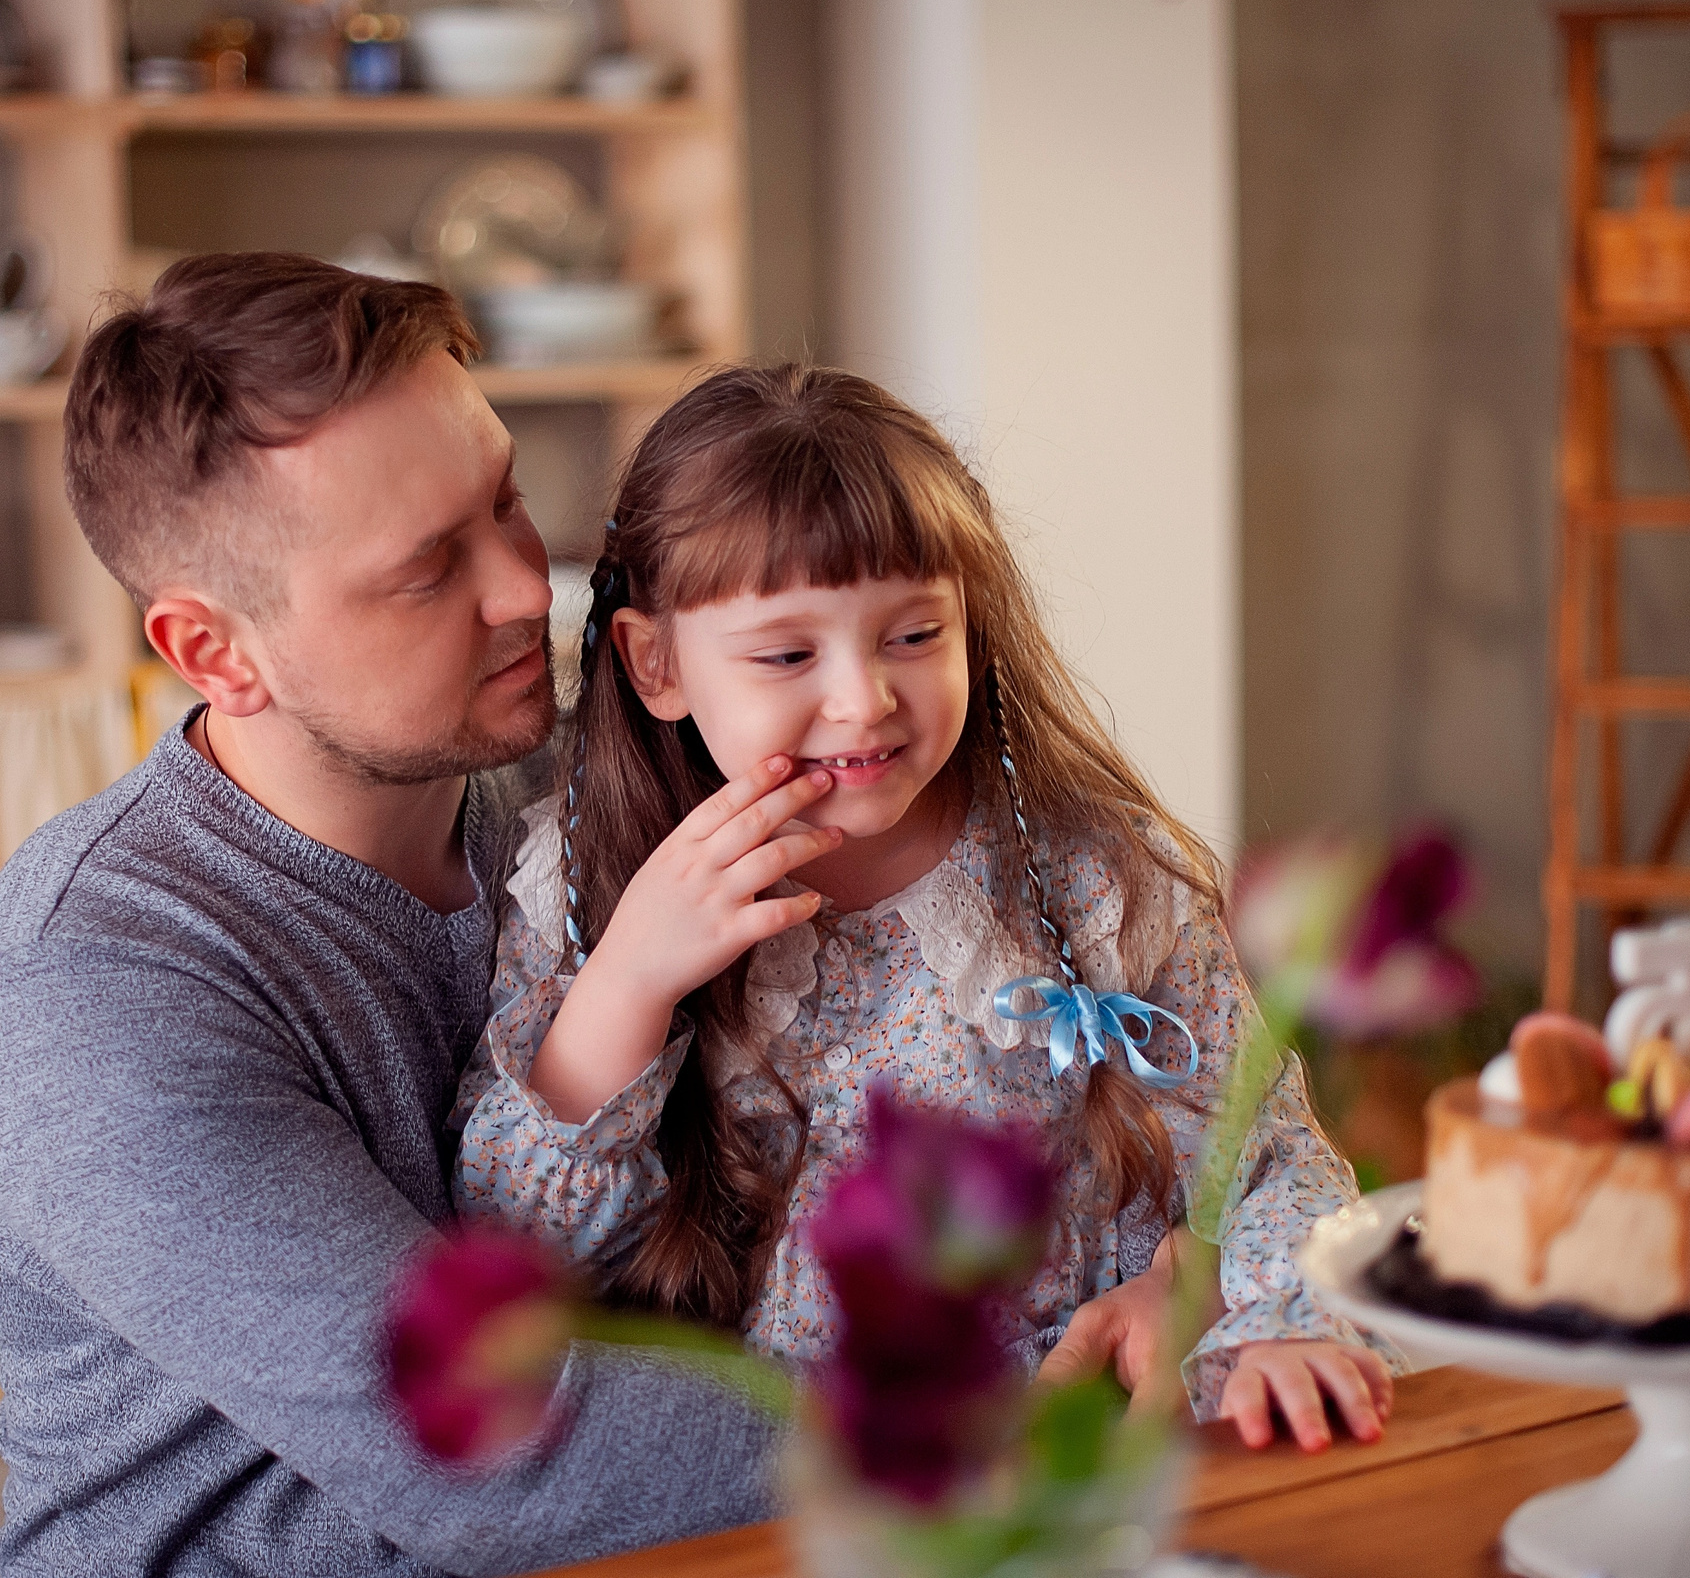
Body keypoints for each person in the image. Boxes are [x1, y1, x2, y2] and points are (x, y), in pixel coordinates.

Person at [0, 255, 785, 1576]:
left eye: (503, 498)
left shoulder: (550, 808)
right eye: (427, 568)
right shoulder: (91, 984)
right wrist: (978, 1441)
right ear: (215, 653)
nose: (523, 587)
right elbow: (487, 1440)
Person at [456, 364, 1405, 1450]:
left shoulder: (1093, 881)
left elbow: (1269, 1155)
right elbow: (511, 1260)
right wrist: (627, 982)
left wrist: (1269, 1320)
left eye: (913, 635)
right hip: (774, 1501)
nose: (864, 698)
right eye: (786, 653)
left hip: (1078, 1467)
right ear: (657, 664)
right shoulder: (577, 891)